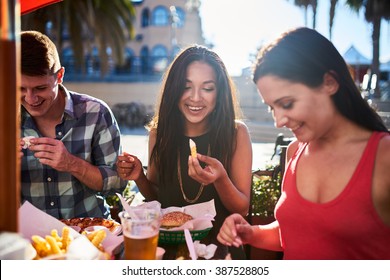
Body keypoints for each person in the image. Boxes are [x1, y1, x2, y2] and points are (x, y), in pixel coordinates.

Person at [217, 27, 390, 260]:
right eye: (272, 108)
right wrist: (250, 233)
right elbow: (294, 233)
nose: (278, 121)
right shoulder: (294, 152)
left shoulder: (383, 157)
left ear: (329, 82)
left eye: (286, 103)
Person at [116, 45, 253, 259]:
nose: (196, 97)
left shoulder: (236, 133)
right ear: (174, 89)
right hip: (167, 248)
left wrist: (220, 179)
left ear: (220, 93)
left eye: (207, 88)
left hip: (220, 248)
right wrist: (139, 177)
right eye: (186, 86)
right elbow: (157, 197)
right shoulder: (158, 133)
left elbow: (242, 209)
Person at [20, 30, 127, 219]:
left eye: (40, 88)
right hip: (28, 241)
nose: (30, 98)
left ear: (59, 76)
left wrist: (72, 164)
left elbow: (118, 182)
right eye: (20, 88)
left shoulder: (95, 113)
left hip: (90, 235)